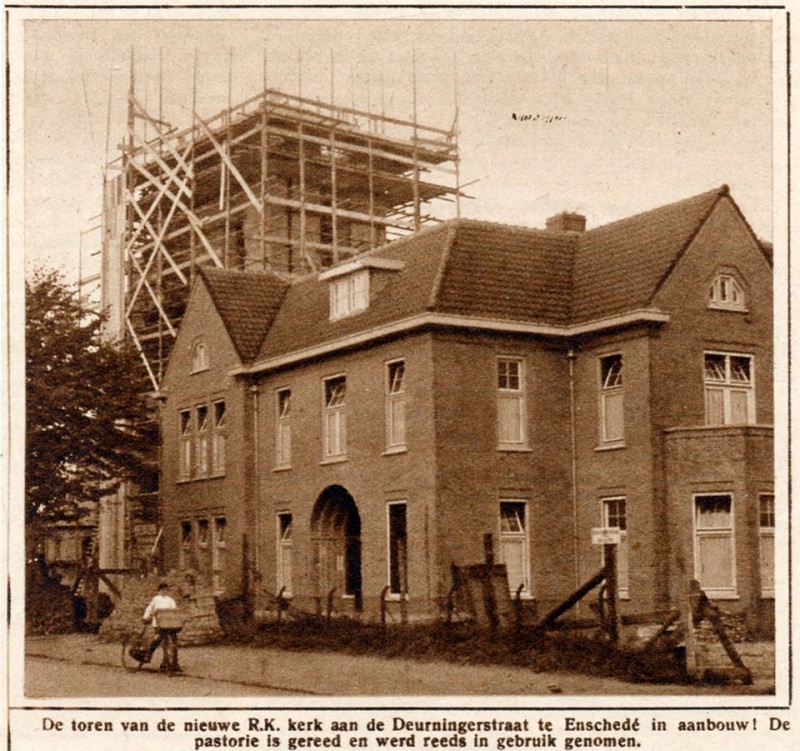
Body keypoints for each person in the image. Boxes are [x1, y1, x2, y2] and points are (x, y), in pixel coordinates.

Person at [143, 581, 182, 674]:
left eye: (165, 590)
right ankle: (149, 654)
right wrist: (146, 617)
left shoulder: (170, 600)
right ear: (159, 591)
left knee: (173, 642)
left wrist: (175, 620)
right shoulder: (156, 599)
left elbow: (174, 611)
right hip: (159, 624)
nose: (164, 592)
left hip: (169, 624)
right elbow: (150, 608)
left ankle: (174, 663)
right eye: (162, 590)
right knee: (158, 638)